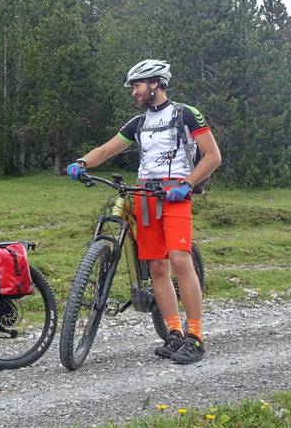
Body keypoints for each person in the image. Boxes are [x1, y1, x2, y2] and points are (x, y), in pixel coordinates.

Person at [66, 60, 220, 364]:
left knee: (179, 260)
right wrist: (82, 162)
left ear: (155, 83)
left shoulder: (186, 114)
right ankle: (174, 332)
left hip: (175, 193)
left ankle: (196, 336)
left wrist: (188, 184)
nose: (134, 92)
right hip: (145, 194)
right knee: (157, 268)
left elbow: (213, 156)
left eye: (137, 85)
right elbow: (106, 150)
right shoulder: (138, 123)